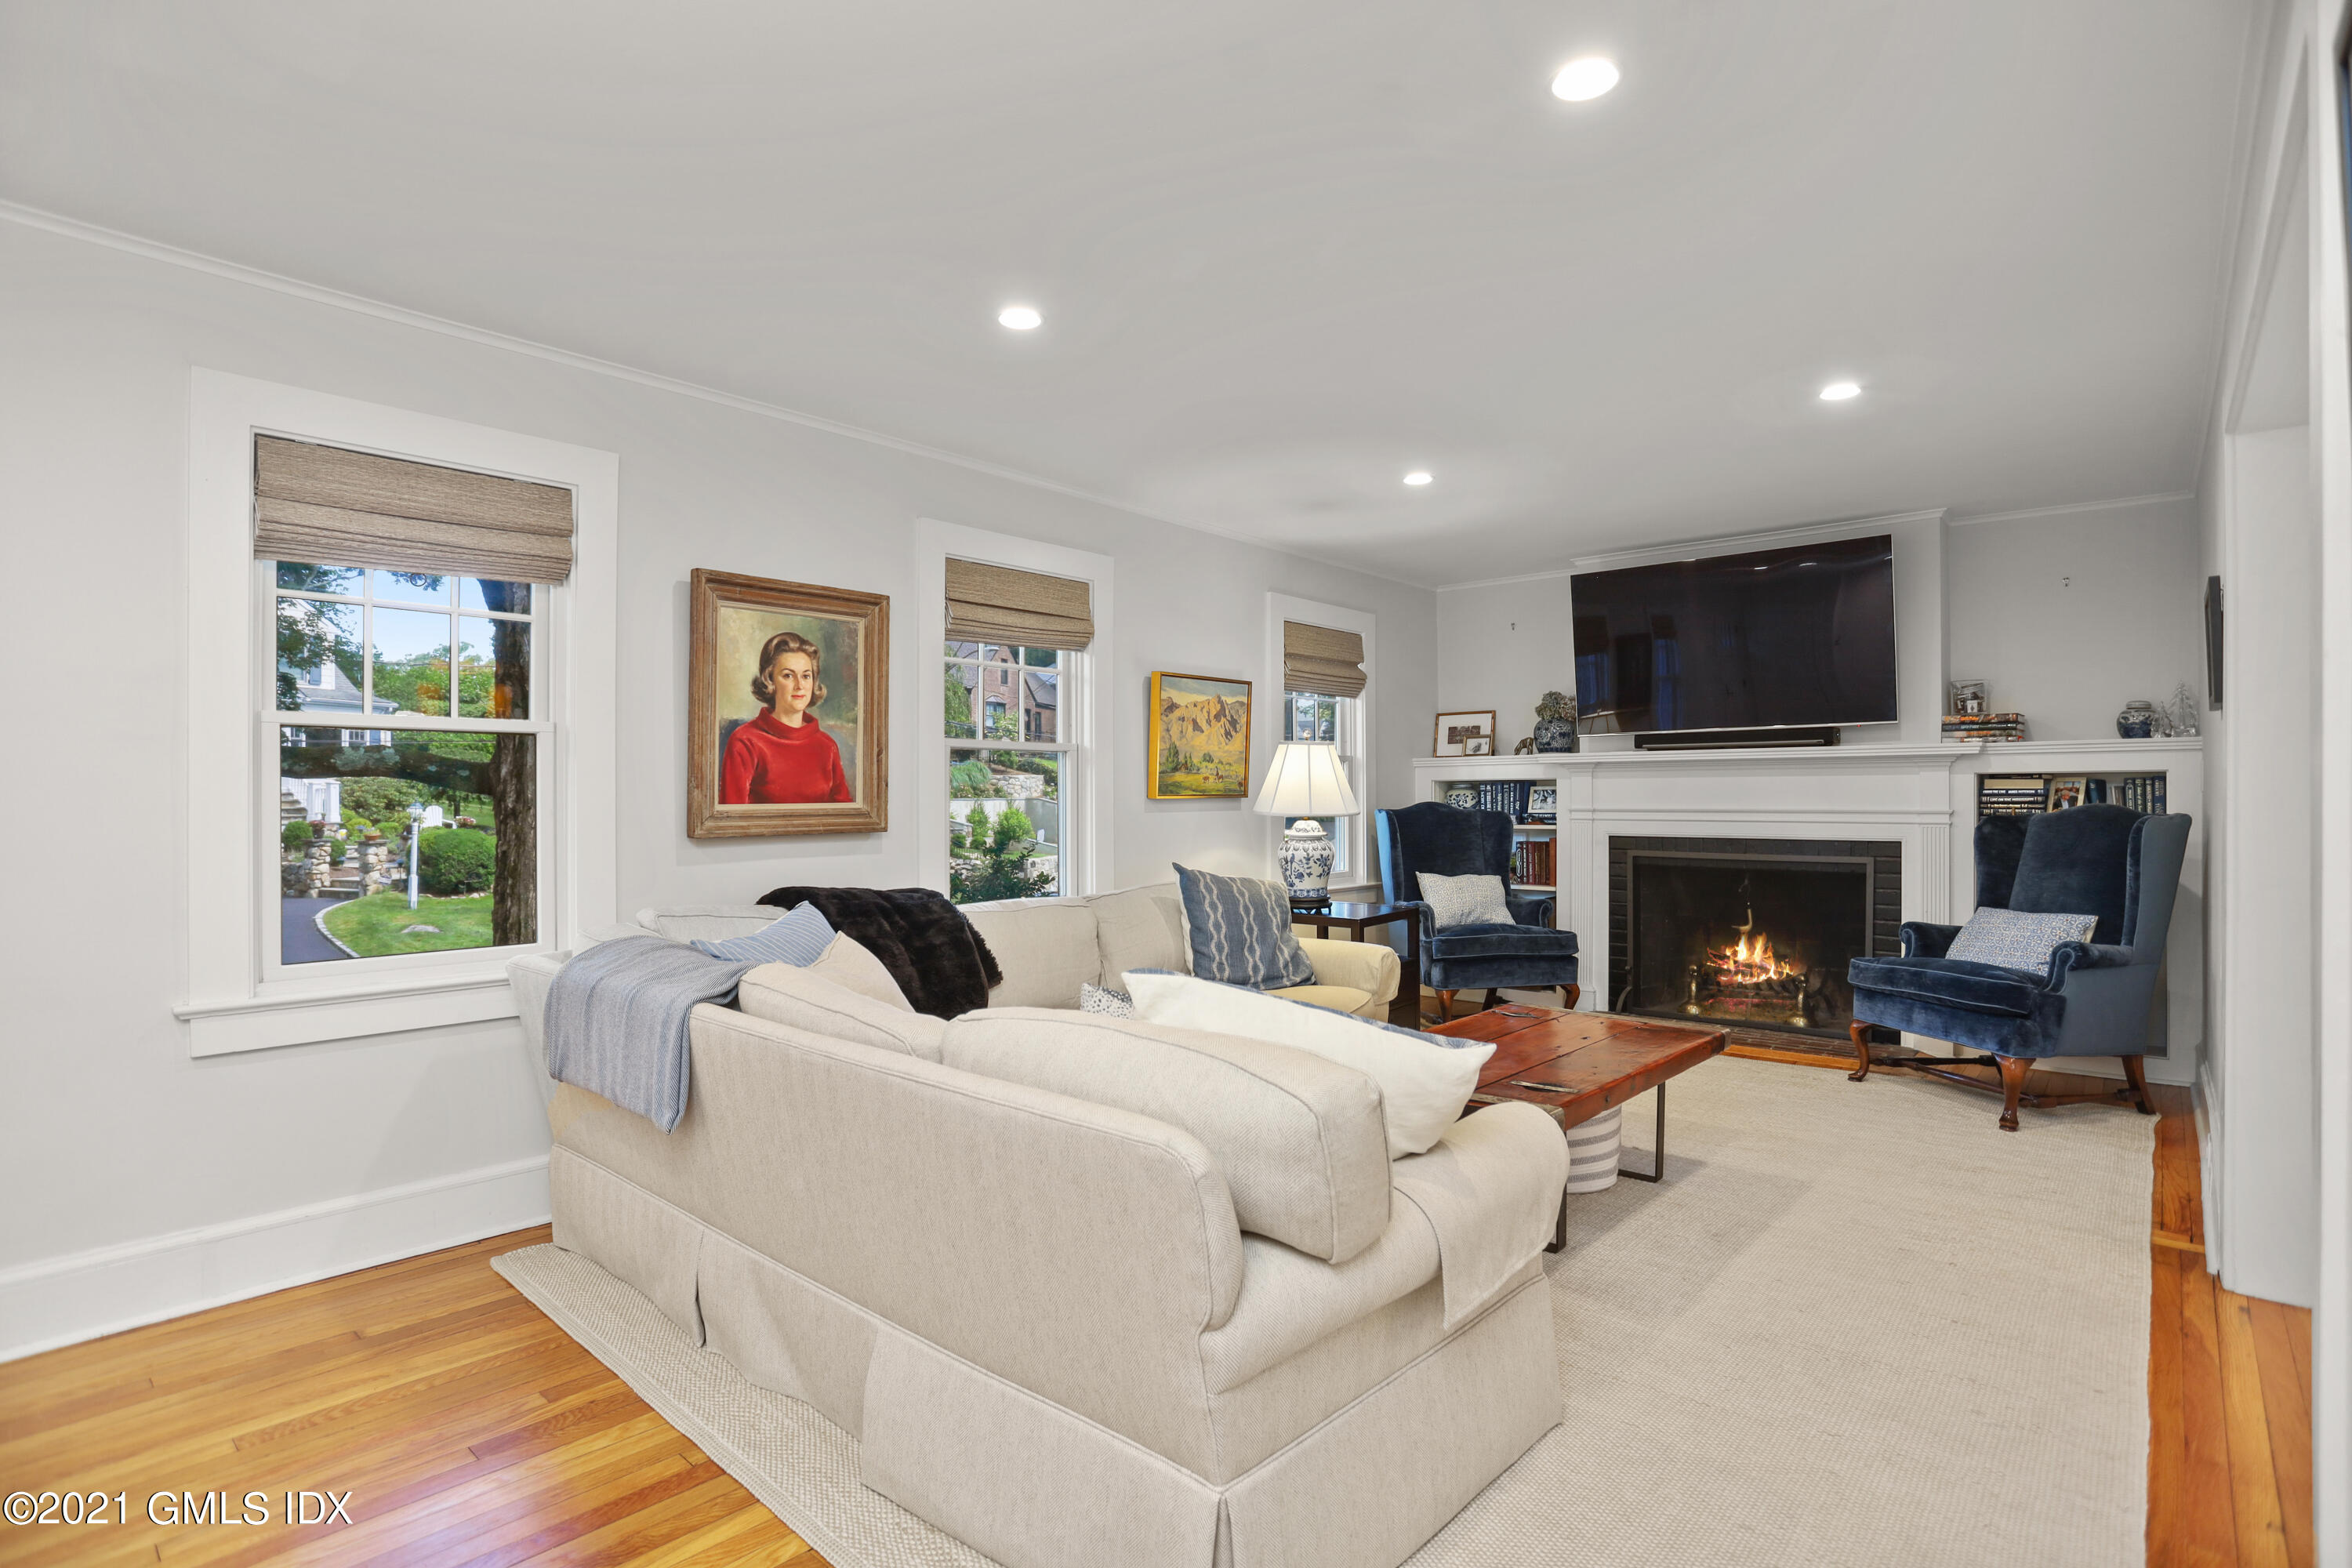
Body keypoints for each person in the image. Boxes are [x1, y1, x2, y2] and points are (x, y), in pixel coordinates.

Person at [720, 630, 853, 804]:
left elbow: (843, 815)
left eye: (806, 676)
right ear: (770, 681)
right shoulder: (745, 742)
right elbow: (731, 819)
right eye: (788, 676)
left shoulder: (827, 746)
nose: (799, 685)